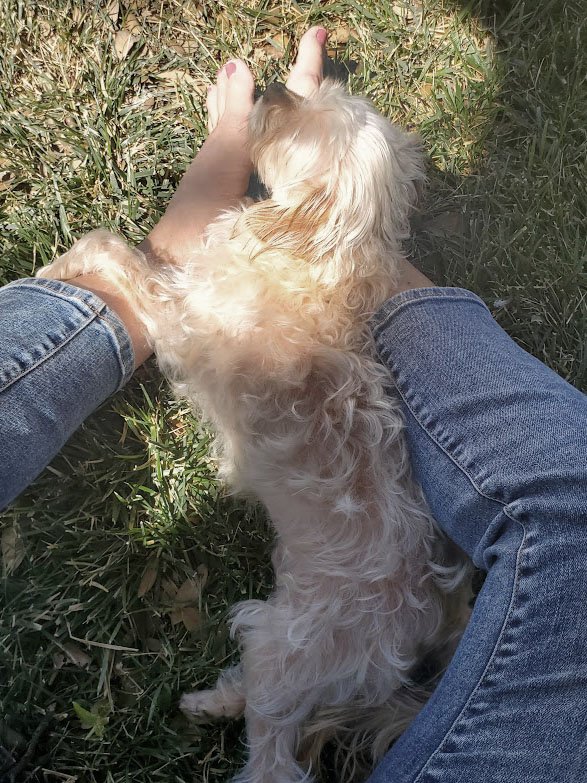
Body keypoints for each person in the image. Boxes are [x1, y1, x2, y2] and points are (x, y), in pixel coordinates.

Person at [1, 26, 586, 783]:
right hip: (408, 588)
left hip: (351, 619)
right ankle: (353, 238)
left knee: (278, 689)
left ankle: (271, 759)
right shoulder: (313, 291)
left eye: (304, 116)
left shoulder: (244, 313)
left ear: (294, 216)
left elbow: (184, 323)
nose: (283, 102)